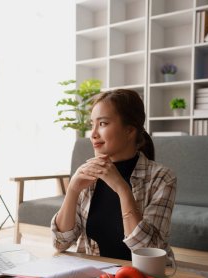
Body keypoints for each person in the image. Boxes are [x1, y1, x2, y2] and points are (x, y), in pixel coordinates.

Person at [51, 89, 177, 262]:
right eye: (91, 125)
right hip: (94, 276)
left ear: (130, 130)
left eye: (102, 124)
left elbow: (149, 252)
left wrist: (122, 188)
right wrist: (72, 189)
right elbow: (60, 243)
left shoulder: (161, 177)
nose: (93, 134)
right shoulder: (89, 175)